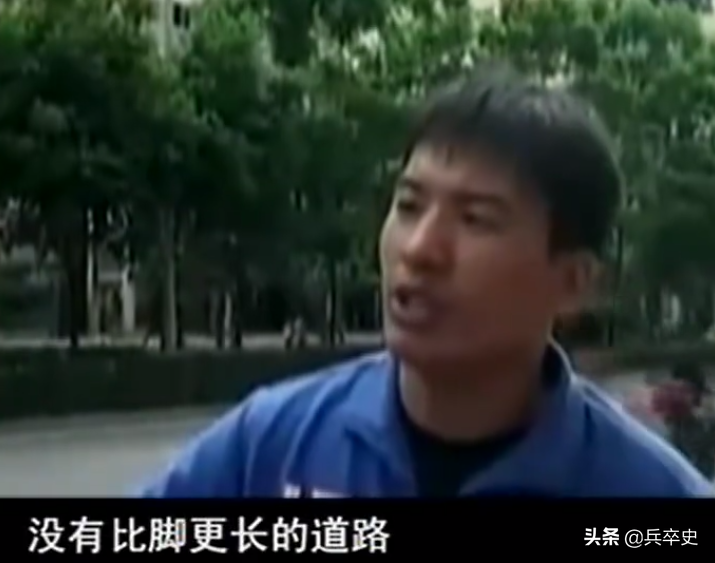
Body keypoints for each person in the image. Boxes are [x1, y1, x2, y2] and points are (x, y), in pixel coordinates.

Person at [139, 66, 713, 497]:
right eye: (409, 206)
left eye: (476, 219)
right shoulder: (270, 445)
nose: (419, 250)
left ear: (572, 283)